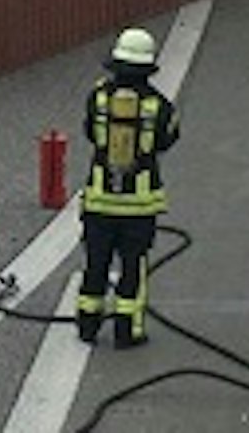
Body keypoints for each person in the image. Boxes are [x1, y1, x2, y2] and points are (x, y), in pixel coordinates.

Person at [75, 27, 181, 349]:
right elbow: (166, 141)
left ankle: (87, 326)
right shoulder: (160, 106)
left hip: (100, 201)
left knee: (96, 264)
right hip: (139, 206)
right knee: (133, 267)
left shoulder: (97, 98)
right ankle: (128, 330)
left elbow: (90, 133)